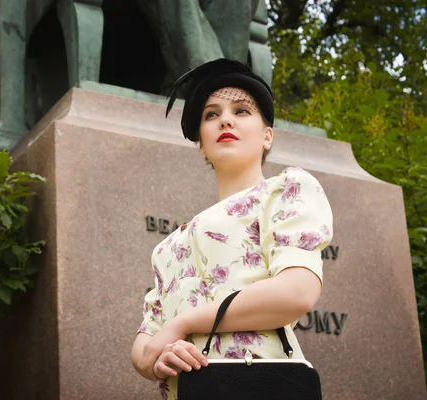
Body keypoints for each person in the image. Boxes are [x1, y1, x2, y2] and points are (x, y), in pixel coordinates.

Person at [130, 59, 333, 399]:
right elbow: (146, 341)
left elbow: (297, 292)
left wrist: (184, 323)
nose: (225, 119)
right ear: (201, 143)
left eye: (241, 111)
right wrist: (158, 359)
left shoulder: (285, 191)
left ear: (268, 136)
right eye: (211, 114)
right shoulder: (167, 247)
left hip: (262, 387)